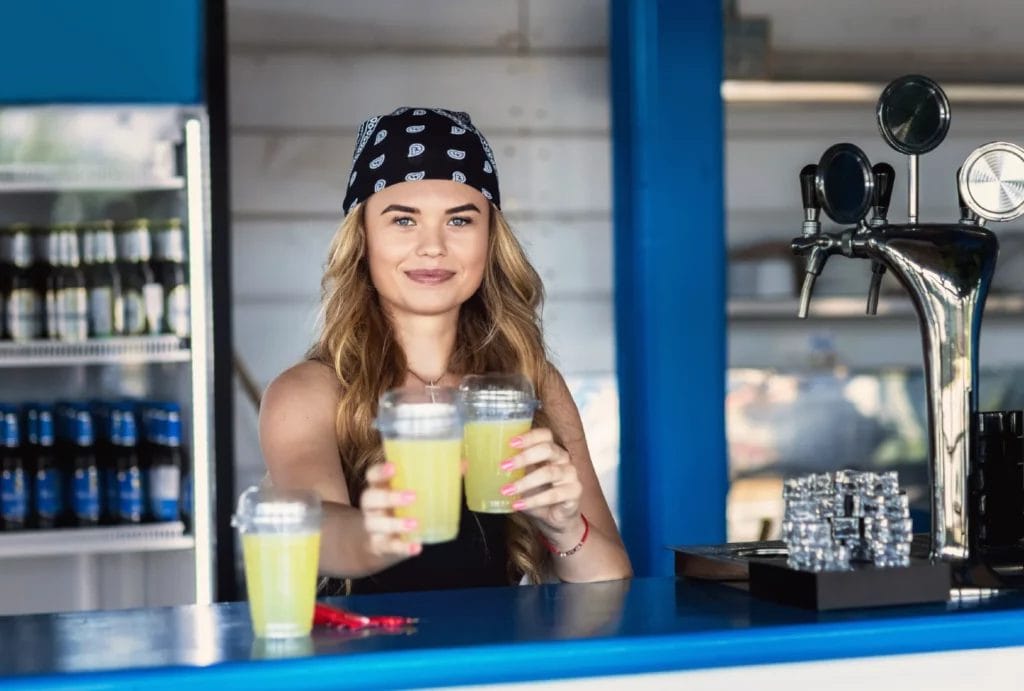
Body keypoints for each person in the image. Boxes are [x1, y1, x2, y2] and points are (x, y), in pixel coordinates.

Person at [259, 107, 632, 593]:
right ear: (363, 237)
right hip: (366, 666)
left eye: (459, 220)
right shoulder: (308, 392)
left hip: (492, 665)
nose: (432, 246)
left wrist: (564, 527)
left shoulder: (530, 384)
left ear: (490, 239)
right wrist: (376, 534)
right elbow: (318, 529)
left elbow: (610, 578)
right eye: (403, 220)